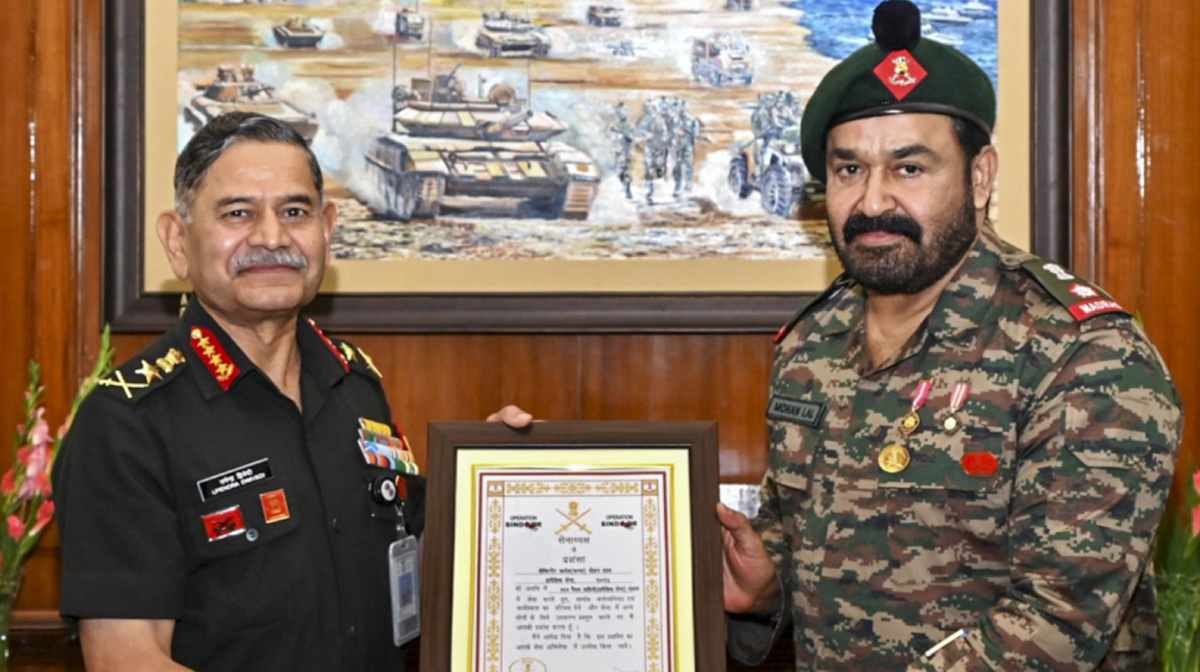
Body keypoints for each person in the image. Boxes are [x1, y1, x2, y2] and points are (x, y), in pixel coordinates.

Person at [717, 1, 1181, 670]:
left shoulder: (1084, 358)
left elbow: (1056, 622)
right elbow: (810, 543)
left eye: (910, 168)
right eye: (849, 170)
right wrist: (765, 587)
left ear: (981, 176)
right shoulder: (811, 347)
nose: (873, 202)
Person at [51, 111, 528, 671]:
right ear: (178, 242)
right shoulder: (127, 421)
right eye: (238, 213)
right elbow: (124, 658)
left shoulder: (356, 388)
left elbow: (411, 574)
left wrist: (500, 489)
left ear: (326, 229)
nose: (272, 237)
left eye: (294, 212)